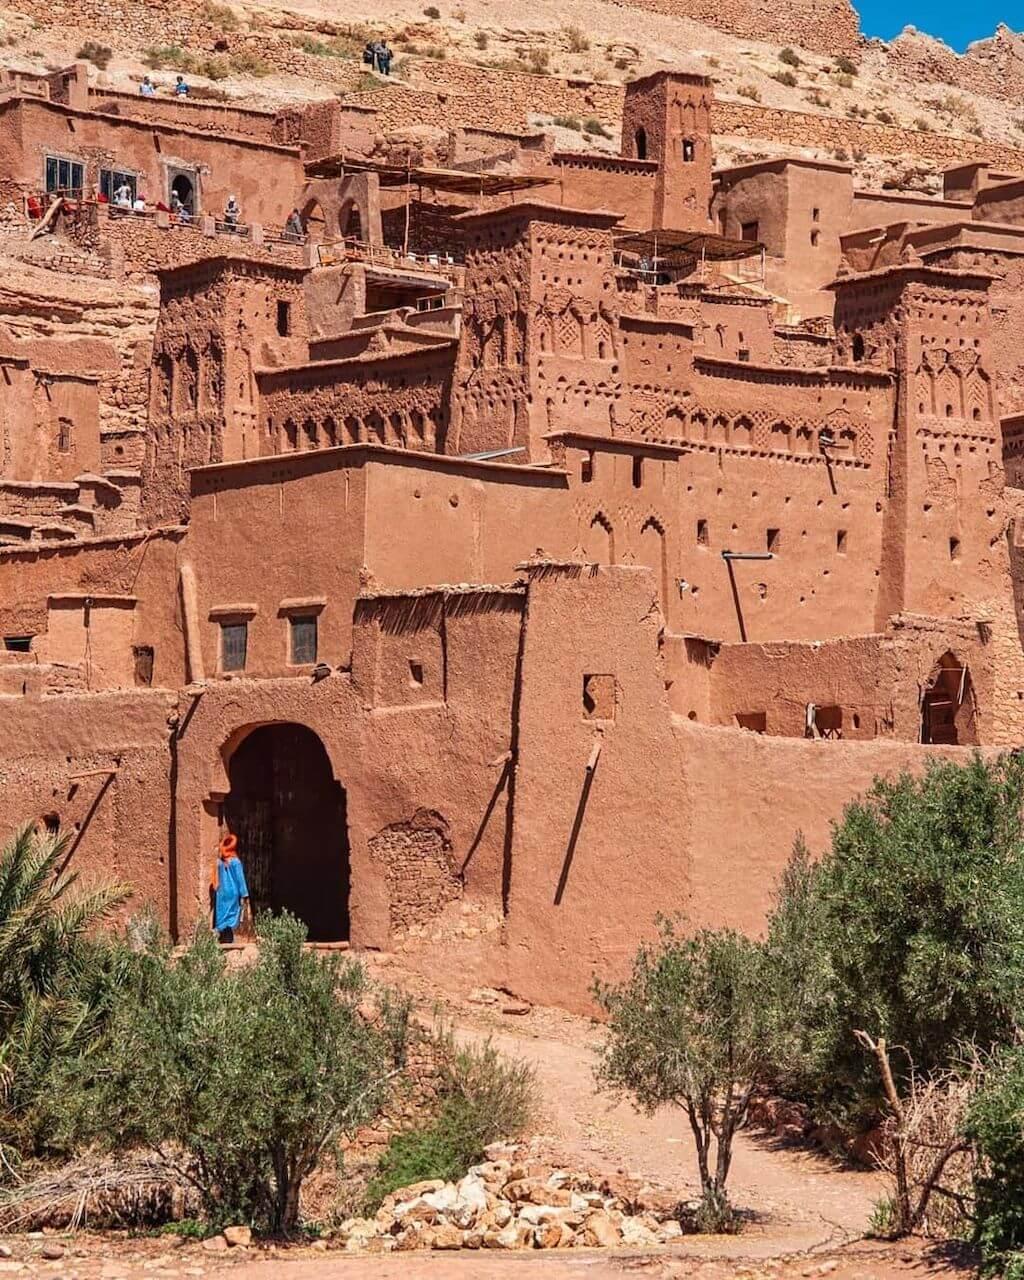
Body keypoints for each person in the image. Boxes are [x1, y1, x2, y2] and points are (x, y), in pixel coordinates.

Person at [211, 832, 249, 944]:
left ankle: (224, 938)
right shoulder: (236, 862)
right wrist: (244, 893)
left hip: (221, 893)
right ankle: (222, 937)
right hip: (232, 893)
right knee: (231, 916)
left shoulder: (219, 862)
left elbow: (214, 878)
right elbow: (240, 878)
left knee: (222, 915)